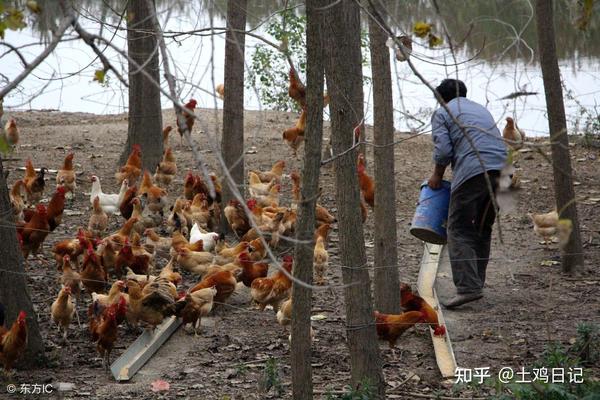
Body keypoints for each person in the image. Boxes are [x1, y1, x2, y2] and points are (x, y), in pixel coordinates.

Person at [428, 79, 507, 308]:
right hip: (503, 174)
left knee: (459, 228)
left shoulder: (443, 112)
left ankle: (468, 288)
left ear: (441, 98)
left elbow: (443, 150)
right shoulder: (481, 109)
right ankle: (475, 284)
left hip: (474, 173)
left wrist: (436, 175)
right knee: (482, 228)